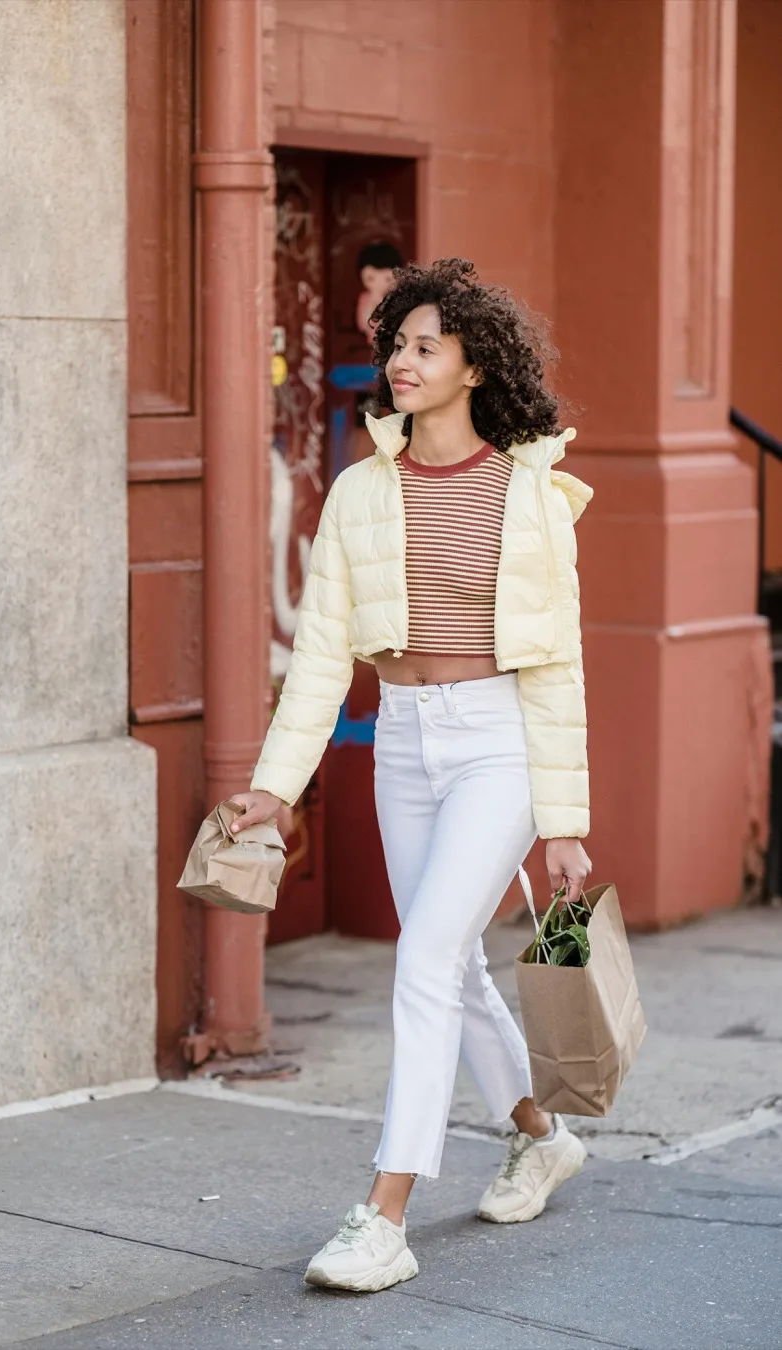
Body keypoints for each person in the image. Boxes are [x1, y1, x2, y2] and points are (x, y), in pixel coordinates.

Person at [232, 257, 593, 1294]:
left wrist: (562, 820)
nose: (402, 361)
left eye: (426, 346)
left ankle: (384, 1214)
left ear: (476, 365)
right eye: (396, 344)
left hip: (497, 743)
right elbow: (319, 658)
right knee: (454, 965)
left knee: (426, 961)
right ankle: (539, 1132)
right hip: (403, 740)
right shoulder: (359, 492)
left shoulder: (530, 491)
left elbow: (558, 661)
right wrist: (273, 784)